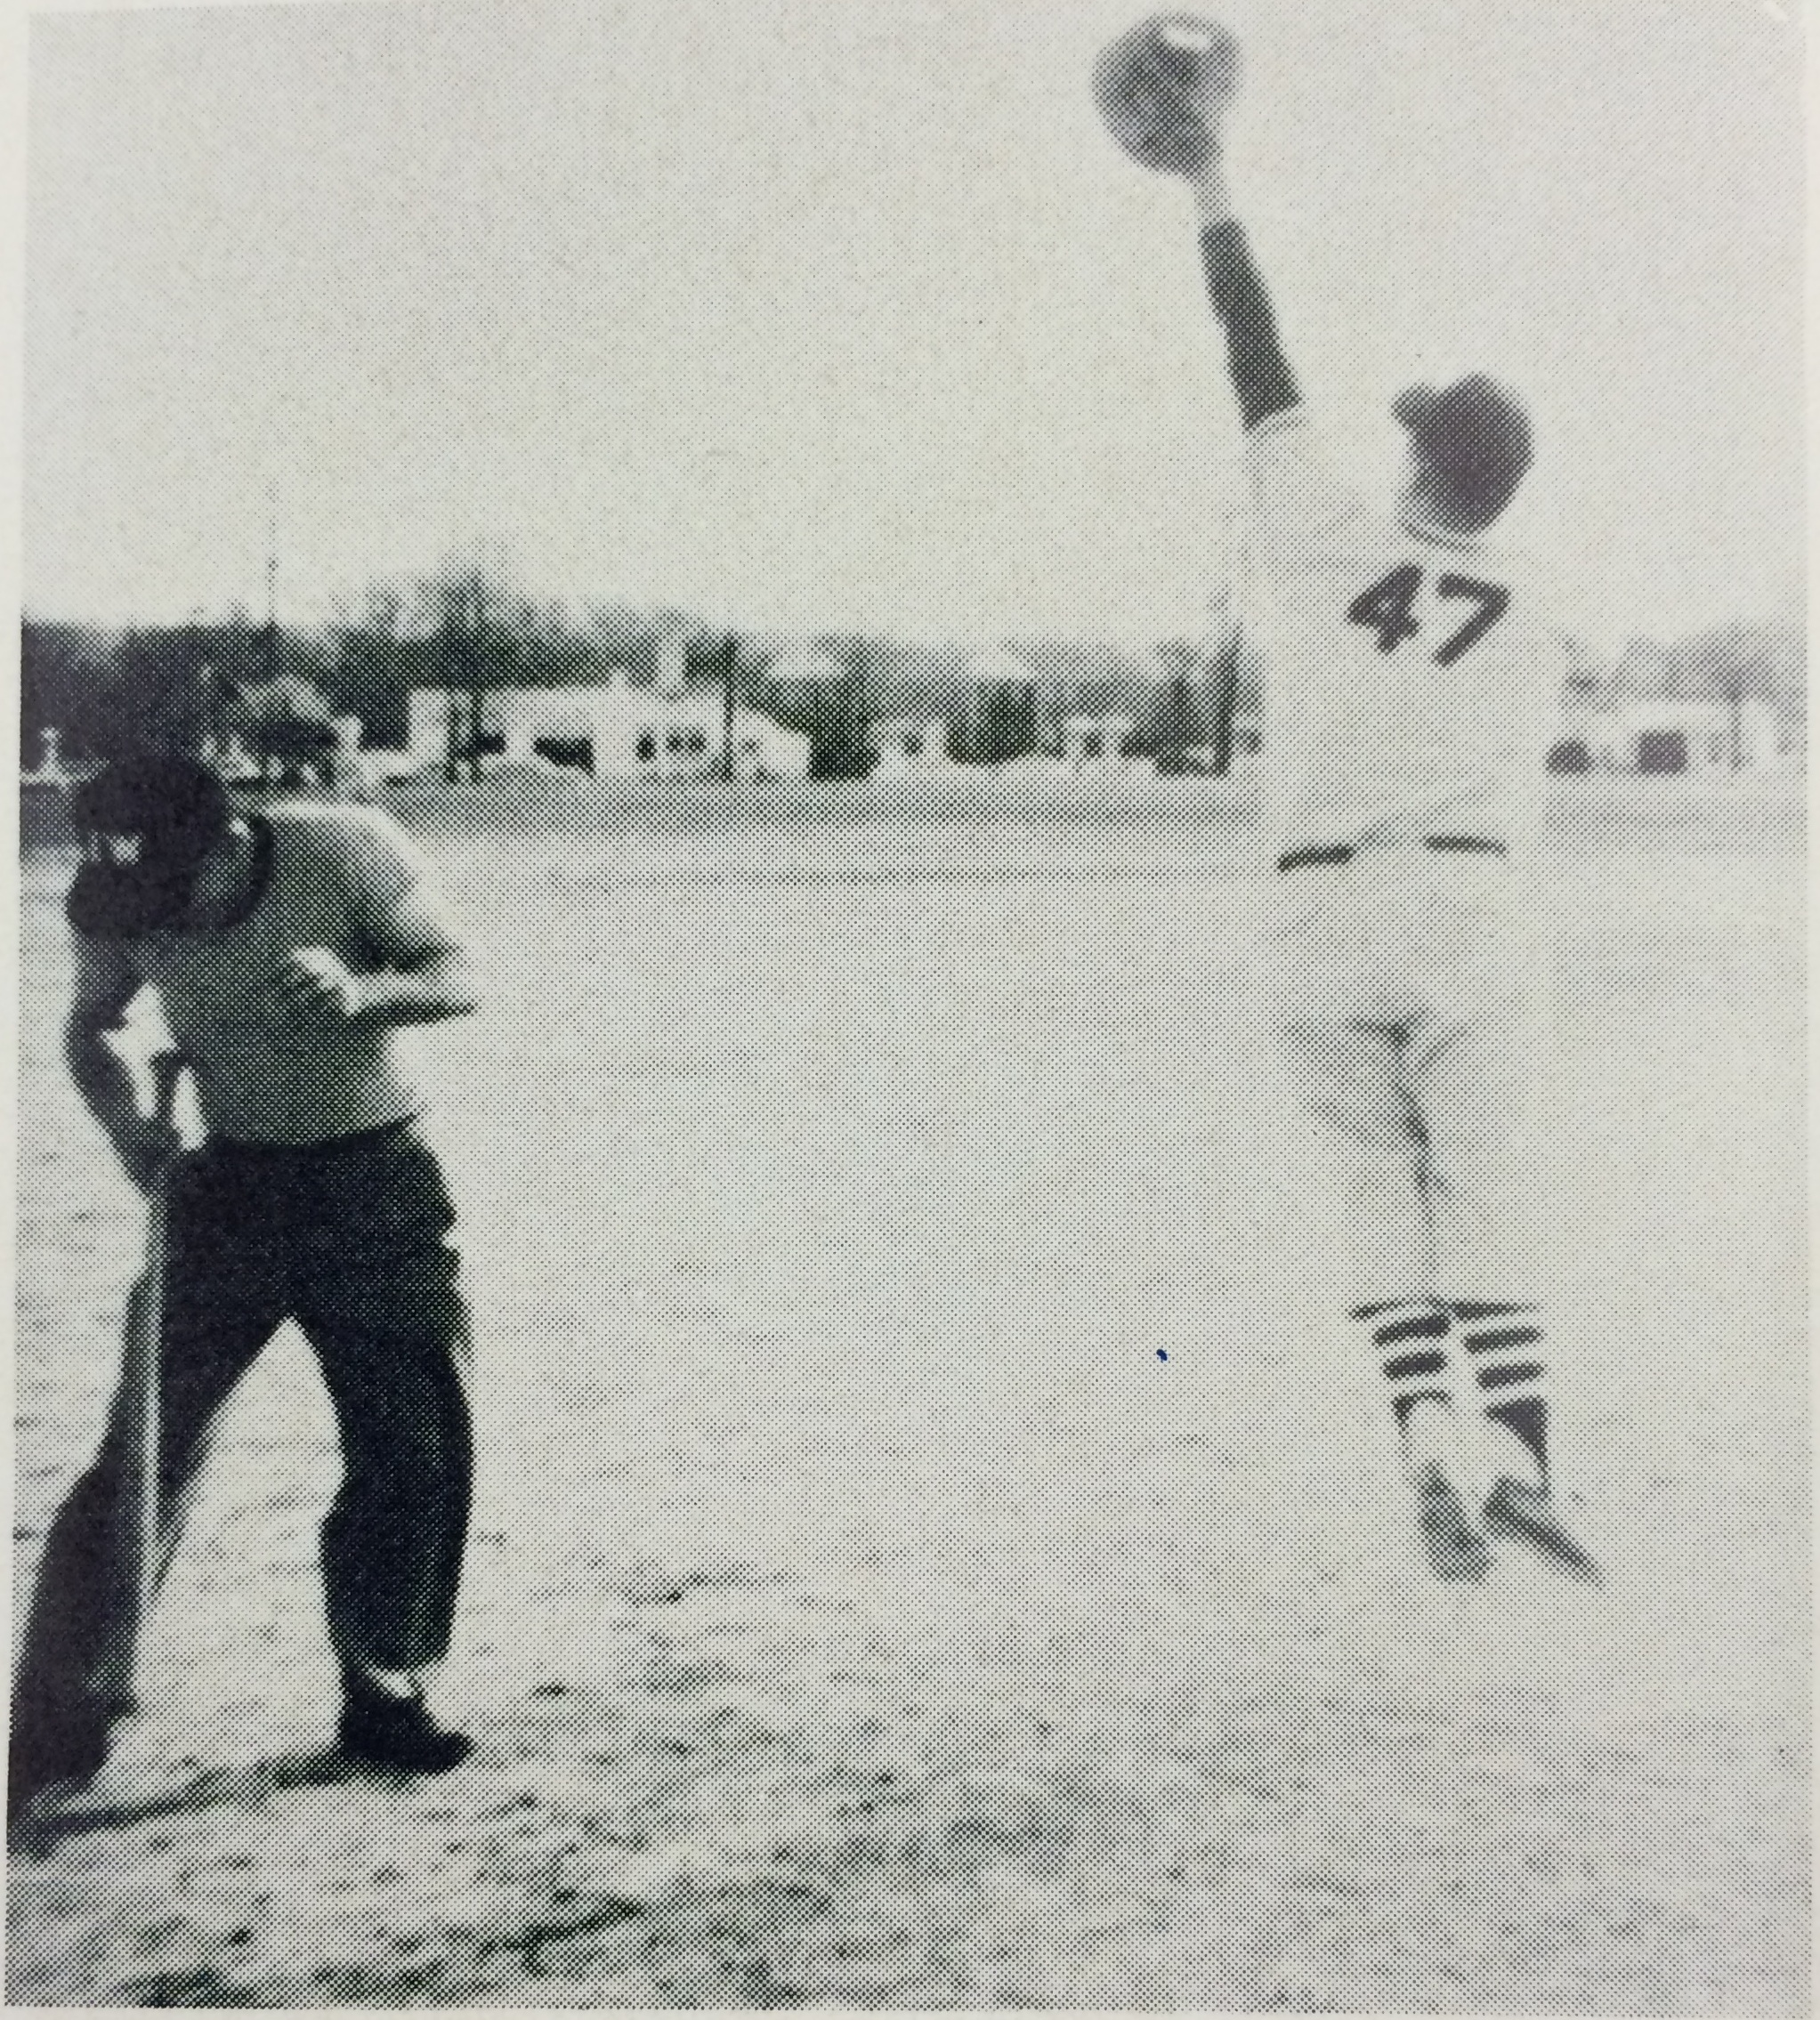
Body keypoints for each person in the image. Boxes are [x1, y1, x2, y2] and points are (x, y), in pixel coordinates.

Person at [1102, 17, 1598, 1582]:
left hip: (1325, 906)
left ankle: (1424, 1442)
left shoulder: (1329, 536)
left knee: (1374, 1194)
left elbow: (1258, 356)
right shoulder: (1539, 600)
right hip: (1474, 902)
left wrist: (1208, 180)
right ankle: (1516, 1449)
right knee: (1485, 1187)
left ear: (1417, 463)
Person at [10, 751, 481, 1826]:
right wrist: (128, 1126)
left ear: (226, 844)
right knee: (139, 1452)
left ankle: (383, 1685)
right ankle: (53, 1729)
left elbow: (457, 973)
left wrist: (367, 991)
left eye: (179, 896)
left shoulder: (347, 846)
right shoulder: (118, 895)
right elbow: (92, 1030)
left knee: (411, 1448)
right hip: (223, 1193)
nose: (162, 923)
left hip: (374, 1186)